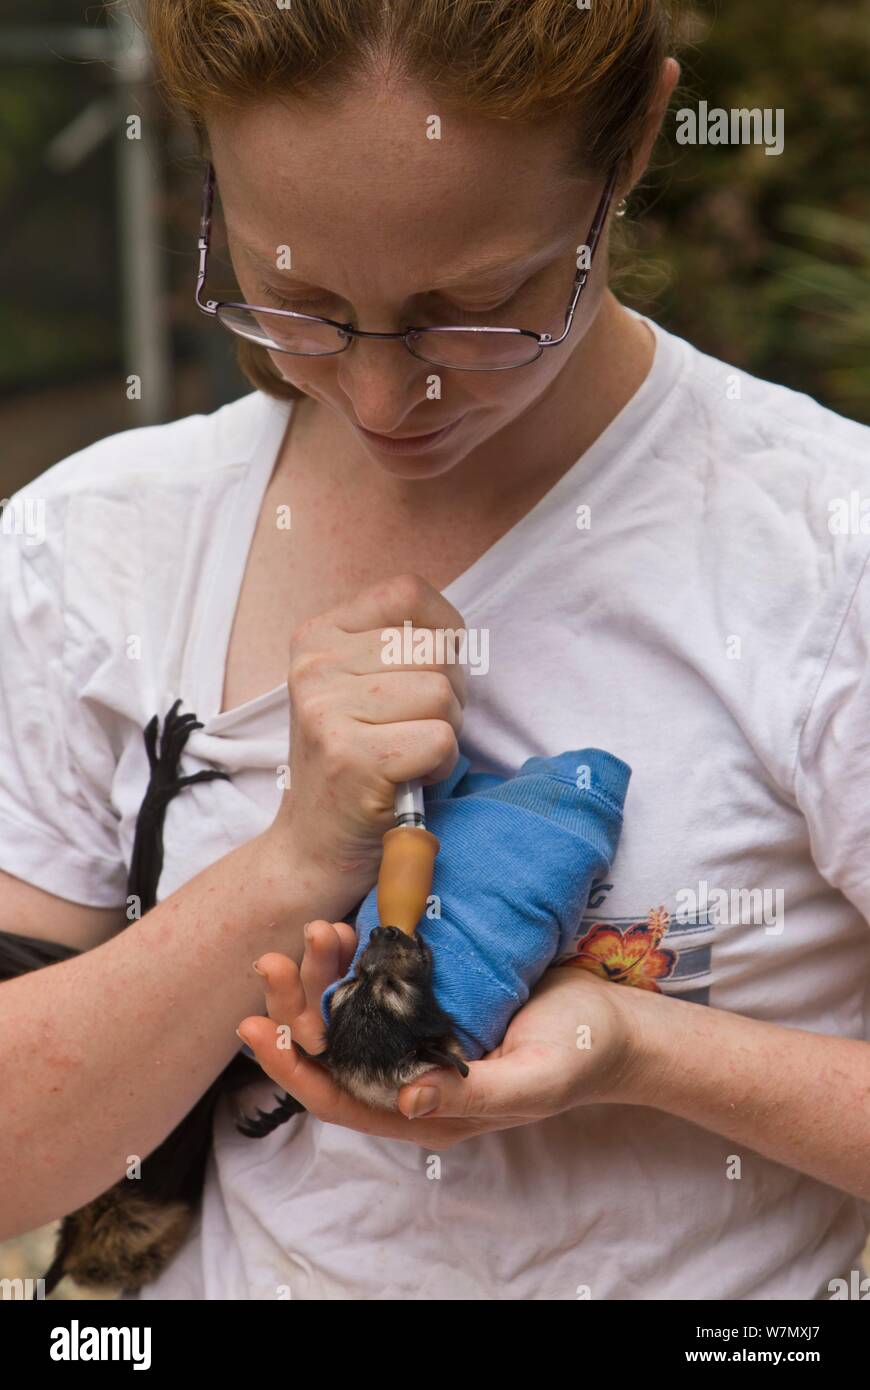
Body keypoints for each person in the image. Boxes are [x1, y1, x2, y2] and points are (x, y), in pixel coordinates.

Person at [1, 0, 868, 1302]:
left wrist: (637, 1048)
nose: (375, 396)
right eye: (292, 296)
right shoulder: (93, 541)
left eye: (473, 307)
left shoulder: (817, 545)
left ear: (629, 142)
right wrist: (294, 859)